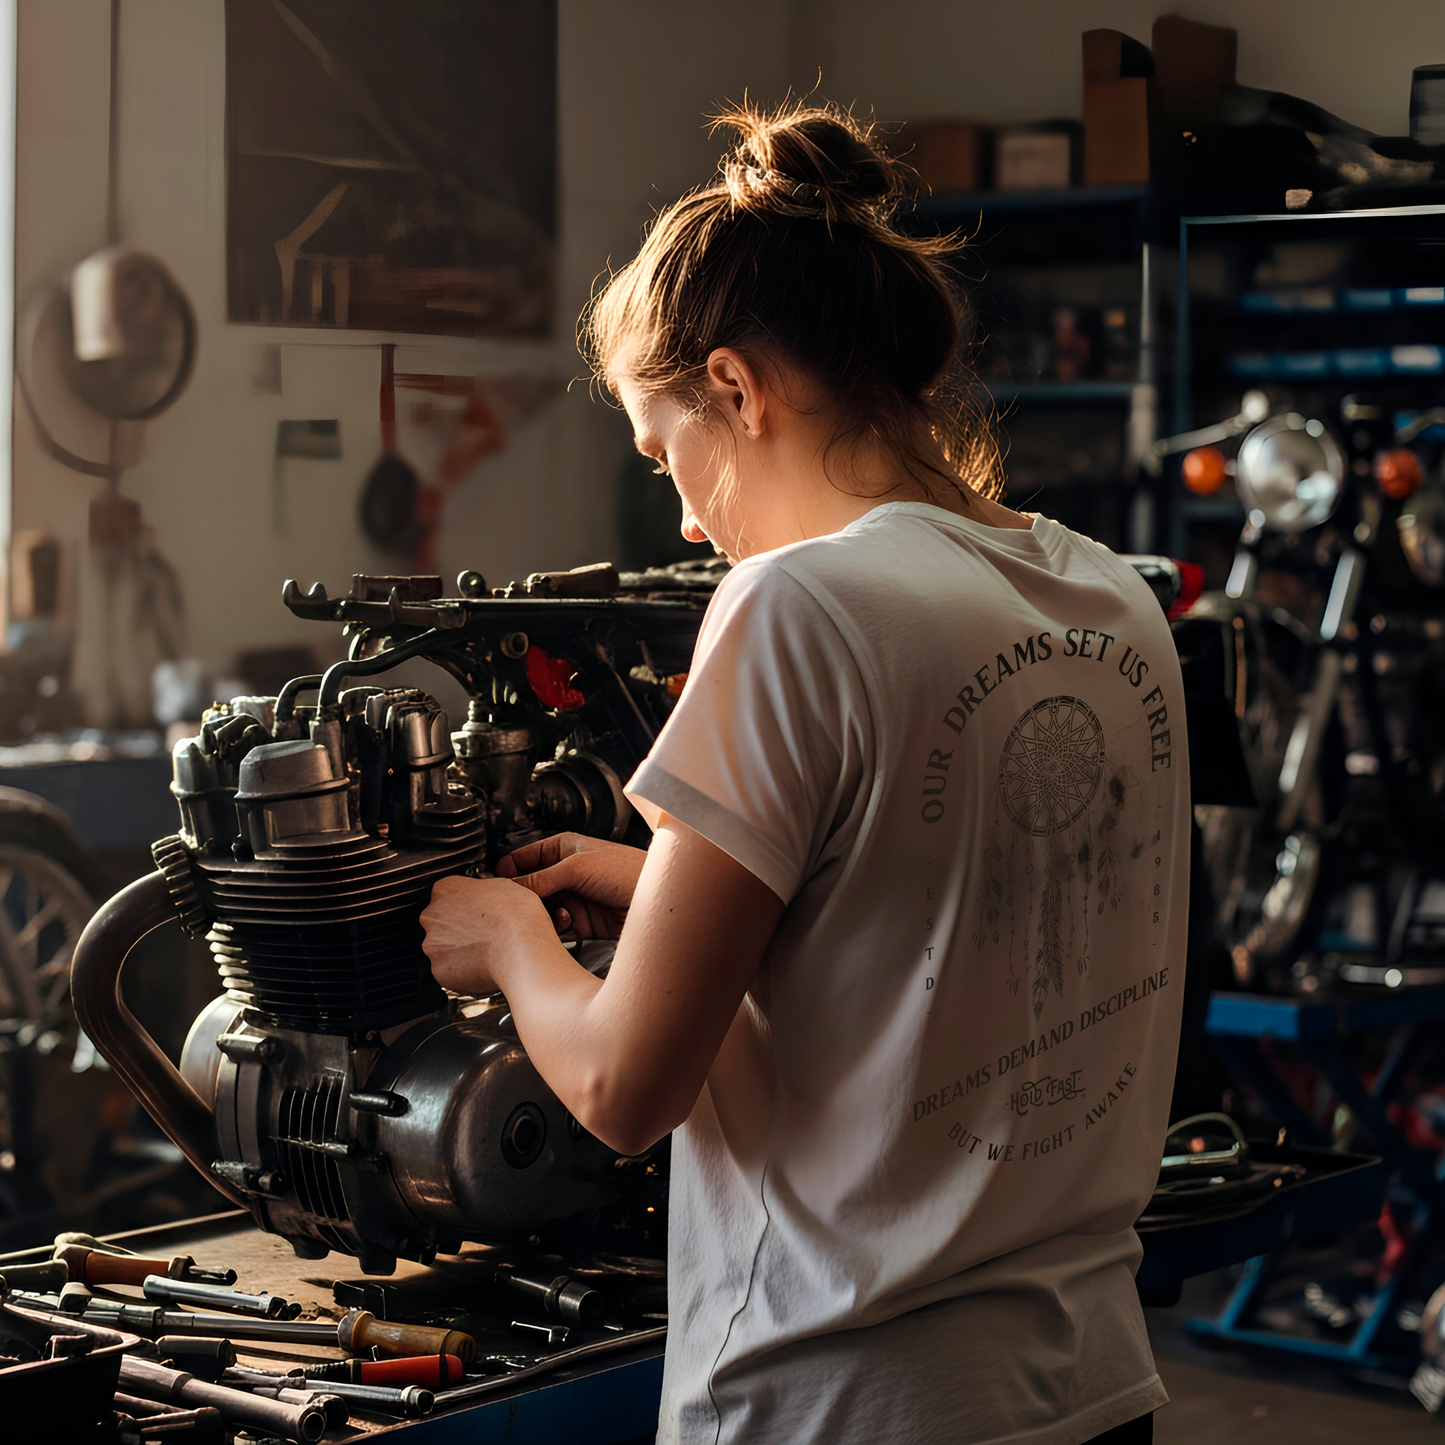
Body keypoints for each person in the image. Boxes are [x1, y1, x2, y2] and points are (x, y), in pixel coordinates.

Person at [420, 100, 1188, 1445]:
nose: (683, 519)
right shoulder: (1107, 594)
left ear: (735, 386)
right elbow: (949, 898)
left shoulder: (797, 605)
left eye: (668, 458)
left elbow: (622, 1091)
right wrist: (668, 888)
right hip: (1087, 1385)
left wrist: (512, 942)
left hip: (848, 1401)